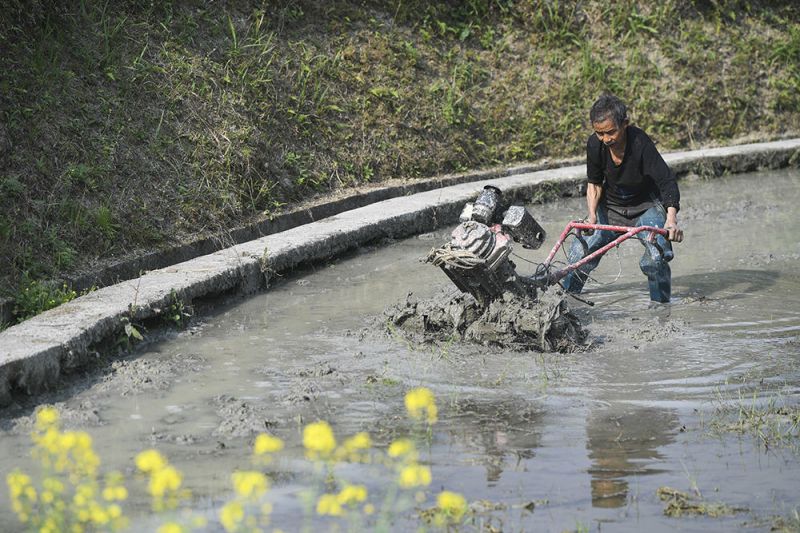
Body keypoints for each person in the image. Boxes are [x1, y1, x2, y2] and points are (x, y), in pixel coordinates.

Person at [562, 94, 684, 303]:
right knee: (579, 254)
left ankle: (661, 309)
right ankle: (566, 300)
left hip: (645, 207)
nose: (606, 139)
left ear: (624, 124)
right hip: (611, 208)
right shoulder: (595, 145)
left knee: (656, 258)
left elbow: (667, 182)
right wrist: (591, 217)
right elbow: (594, 183)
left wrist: (671, 221)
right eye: (600, 133)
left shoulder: (640, 143)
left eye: (611, 132)